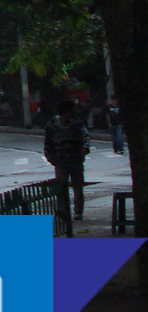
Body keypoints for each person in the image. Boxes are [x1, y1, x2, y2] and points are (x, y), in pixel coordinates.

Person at [44, 98, 90, 234]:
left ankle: (78, 212)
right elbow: (48, 142)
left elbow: (85, 137)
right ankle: (63, 211)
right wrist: (50, 157)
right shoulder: (53, 124)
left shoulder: (77, 123)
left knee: (78, 187)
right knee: (62, 187)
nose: (74, 113)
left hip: (76, 159)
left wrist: (85, 149)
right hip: (60, 161)